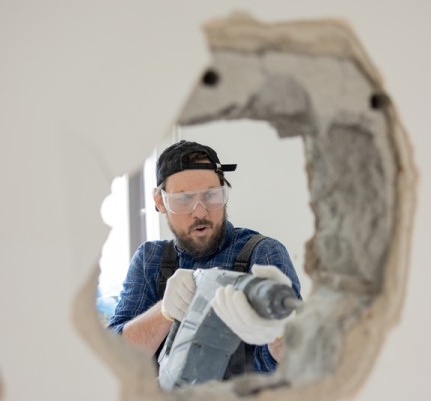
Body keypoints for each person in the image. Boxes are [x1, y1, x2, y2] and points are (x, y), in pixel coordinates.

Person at [108, 140, 301, 376]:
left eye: (211, 195)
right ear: (160, 202)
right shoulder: (150, 260)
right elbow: (116, 358)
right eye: (183, 199)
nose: (200, 212)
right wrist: (164, 313)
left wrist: (283, 342)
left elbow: (288, 363)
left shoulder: (262, 254)